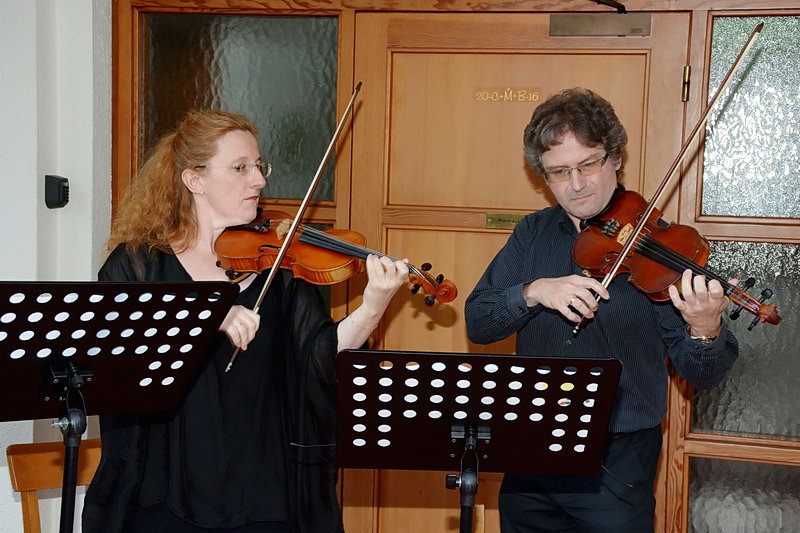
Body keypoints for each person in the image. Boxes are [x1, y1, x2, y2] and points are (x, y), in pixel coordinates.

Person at [82, 109, 408, 533]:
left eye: (258, 166)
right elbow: (115, 363)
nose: (259, 180)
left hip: (263, 490)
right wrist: (207, 314)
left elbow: (320, 355)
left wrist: (373, 306)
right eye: (240, 168)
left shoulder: (280, 263)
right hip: (164, 488)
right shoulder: (137, 265)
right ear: (194, 180)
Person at [464, 88, 739, 532]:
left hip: (618, 459)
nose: (576, 185)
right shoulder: (532, 233)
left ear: (615, 158)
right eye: (559, 172)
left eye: (588, 164)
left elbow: (702, 374)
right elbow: (479, 322)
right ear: (543, 176)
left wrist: (705, 328)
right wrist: (534, 291)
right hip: (531, 446)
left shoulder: (659, 251)